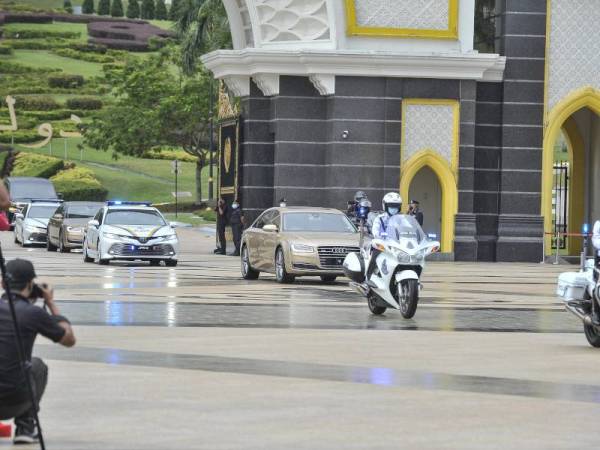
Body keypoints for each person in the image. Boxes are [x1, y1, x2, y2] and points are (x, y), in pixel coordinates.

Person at [0, 259, 76, 444]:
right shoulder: (32, 313)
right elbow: (68, 339)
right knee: (37, 365)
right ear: (29, 284)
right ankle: (25, 426)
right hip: (14, 401)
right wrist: (50, 302)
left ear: (3, 284)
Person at [366, 193, 403, 281]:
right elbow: (375, 231)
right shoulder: (380, 218)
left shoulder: (402, 219)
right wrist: (379, 236)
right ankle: (368, 278)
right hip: (383, 244)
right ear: (385, 206)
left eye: (396, 206)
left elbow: (409, 229)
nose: (394, 208)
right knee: (375, 255)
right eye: (391, 206)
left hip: (399, 245)